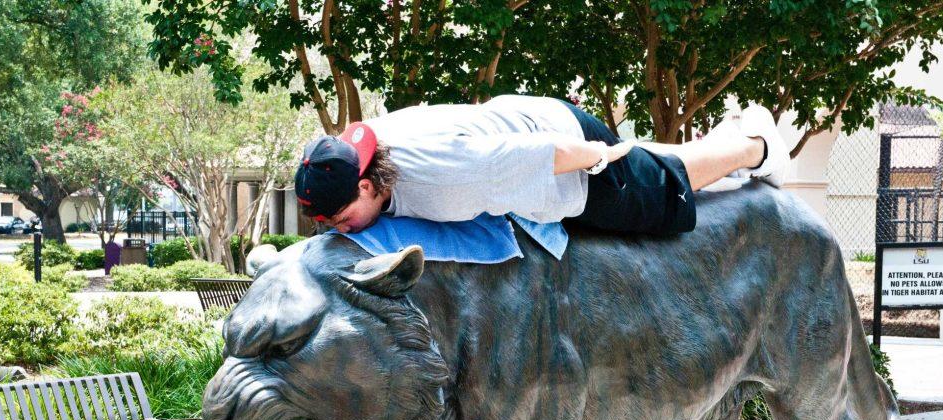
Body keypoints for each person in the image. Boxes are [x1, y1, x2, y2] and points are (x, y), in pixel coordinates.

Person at [294, 94, 788, 236]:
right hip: (518, 120)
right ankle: (731, 134)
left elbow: (545, 155)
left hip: (560, 144)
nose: (341, 232)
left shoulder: (448, 176)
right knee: (645, 160)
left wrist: (604, 161)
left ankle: (756, 146)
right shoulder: (364, 148)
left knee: (658, 188)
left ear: (365, 184)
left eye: (341, 221)